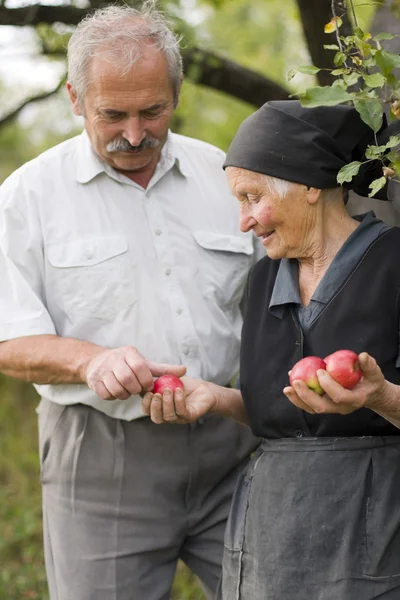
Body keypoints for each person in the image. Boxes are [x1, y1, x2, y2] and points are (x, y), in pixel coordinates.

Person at [0, 4, 262, 599]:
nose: (136, 134)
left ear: (177, 91)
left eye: (154, 110)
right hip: (100, 457)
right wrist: (90, 361)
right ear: (74, 98)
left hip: (233, 443)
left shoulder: (225, 175)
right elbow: (7, 338)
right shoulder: (25, 198)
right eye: (112, 114)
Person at [143, 100, 400, 599]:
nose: (243, 222)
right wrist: (214, 398)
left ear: (309, 186)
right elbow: (284, 411)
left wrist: (380, 396)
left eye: (252, 198)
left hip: (375, 529)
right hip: (274, 533)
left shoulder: (394, 264)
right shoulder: (262, 279)